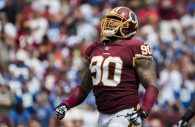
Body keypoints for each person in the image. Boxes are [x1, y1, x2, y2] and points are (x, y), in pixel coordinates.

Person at [55, 6, 159, 127]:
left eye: (115, 22)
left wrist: (144, 110)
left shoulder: (135, 48)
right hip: (102, 115)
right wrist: (66, 104)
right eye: (109, 21)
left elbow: (152, 85)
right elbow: (84, 87)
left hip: (126, 113)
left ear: (127, 27)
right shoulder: (94, 49)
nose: (110, 24)